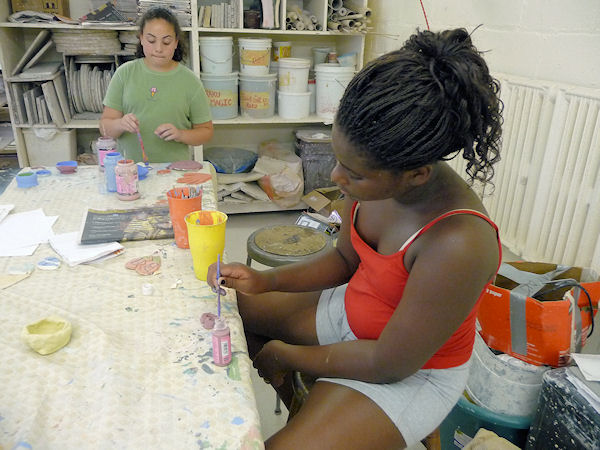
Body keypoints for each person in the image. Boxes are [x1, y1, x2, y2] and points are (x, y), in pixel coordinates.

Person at [208, 28, 503, 449]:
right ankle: (305, 404)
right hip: (353, 313)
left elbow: (388, 363)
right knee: (217, 312)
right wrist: (265, 281)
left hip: (408, 372)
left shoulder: (458, 244)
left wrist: (287, 355)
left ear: (416, 174)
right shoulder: (377, 176)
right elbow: (344, 261)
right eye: (338, 159)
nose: (336, 177)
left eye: (353, 173)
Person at [100, 7, 213, 163]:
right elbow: (105, 128)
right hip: (129, 170)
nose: (159, 49)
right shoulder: (124, 74)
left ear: (176, 42)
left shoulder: (190, 81)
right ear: (141, 38)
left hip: (175, 170)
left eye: (166, 42)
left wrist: (180, 134)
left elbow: (206, 132)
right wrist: (120, 124)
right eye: (151, 40)